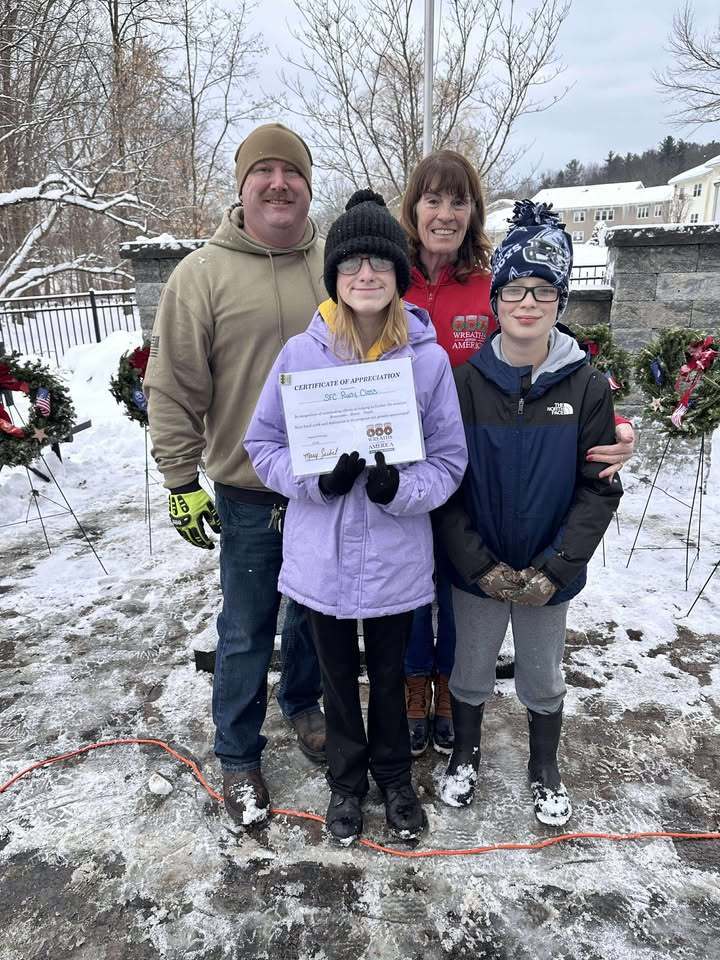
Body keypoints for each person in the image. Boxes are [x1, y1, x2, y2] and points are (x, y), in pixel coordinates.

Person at [245, 190, 467, 844]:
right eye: (351, 264)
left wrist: (400, 488)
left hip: (396, 557)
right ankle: (347, 782)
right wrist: (315, 482)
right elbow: (263, 446)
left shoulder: (424, 362)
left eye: (379, 262)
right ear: (335, 278)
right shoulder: (300, 357)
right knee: (338, 678)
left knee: (393, 674)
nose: (365, 274)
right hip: (323, 561)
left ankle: (394, 777)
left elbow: (450, 462)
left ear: (399, 275)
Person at [399, 151, 636, 758]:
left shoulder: (490, 284)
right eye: (434, 199)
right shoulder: (383, 276)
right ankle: (412, 686)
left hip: (481, 454)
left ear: (474, 211)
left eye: (459, 201)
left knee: (462, 595)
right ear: (414, 206)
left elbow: (552, 352)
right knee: (407, 586)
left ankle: (454, 693)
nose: (446, 213)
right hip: (410, 458)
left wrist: (608, 423)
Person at [144, 123, 326, 828]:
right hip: (249, 489)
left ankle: (305, 707)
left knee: (316, 616)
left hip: (327, 487)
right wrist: (180, 479)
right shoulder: (201, 276)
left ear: (309, 186)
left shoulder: (337, 265)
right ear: (243, 186)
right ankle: (238, 753)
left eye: (293, 173)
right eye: (265, 172)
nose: (279, 183)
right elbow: (174, 385)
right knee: (249, 627)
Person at [433, 200, 623, 826]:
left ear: (560, 302)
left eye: (544, 290)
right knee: (470, 670)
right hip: (478, 568)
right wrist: (477, 564)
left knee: (542, 675)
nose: (528, 302)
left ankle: (545, 766)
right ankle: (464, 755)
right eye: (515, 287)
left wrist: (558, 566)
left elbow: (598, 488)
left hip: (550, 570)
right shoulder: (464, 384)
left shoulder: (587, 388)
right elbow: (447, 485)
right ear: (496, 299)